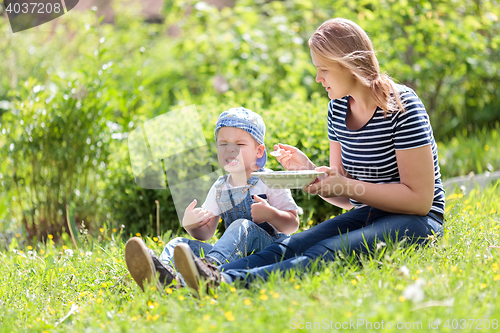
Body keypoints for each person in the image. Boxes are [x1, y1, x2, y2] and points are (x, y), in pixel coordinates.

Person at [172, 18, 446, 294]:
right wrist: (310, 174)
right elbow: (347, 197)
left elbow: (420, 201)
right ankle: (183, 280)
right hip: (367, 214)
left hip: (418, 221)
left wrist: (346, 185)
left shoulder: (401, 106)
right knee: (292, 245)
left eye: (323, 69)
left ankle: (223, 284)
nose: (318, 78)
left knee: (328, 250)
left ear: (349, 64)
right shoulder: (338, 110)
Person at [125, 107, 300, 291]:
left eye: (239, 145)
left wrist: (271, 214)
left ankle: (206, 268)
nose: (230, 150)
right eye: (223, 144)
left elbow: (293, 224)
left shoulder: (270, 180)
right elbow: (207, 233)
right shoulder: (220, 186)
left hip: (271, 251)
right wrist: (192, 225)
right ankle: (160, 273)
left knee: (243, 225)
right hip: (234, 255)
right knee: (178, 243)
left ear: (259, 151)